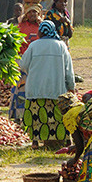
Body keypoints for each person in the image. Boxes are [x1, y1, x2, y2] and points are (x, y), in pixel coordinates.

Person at [18, 20, 75, 148]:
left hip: (36, 88)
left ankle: (35, 142)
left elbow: (23, 65)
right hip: (56, 89)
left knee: (36, 116)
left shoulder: (34, 46)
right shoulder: (61, 46)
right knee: (59, 116)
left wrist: (32, 71)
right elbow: (68, 69)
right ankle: (66, 140)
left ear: (41, 31)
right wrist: (71, 87)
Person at [8, 4, 41, 122]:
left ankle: (33, 115)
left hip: (36, 62)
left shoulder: (42, 27)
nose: (32, 14)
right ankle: (18, 115)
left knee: (34, 88)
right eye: (30, 12)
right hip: (22, 61)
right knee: (20, 88)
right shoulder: (20, 27)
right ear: (26, 14)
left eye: (35, 12)